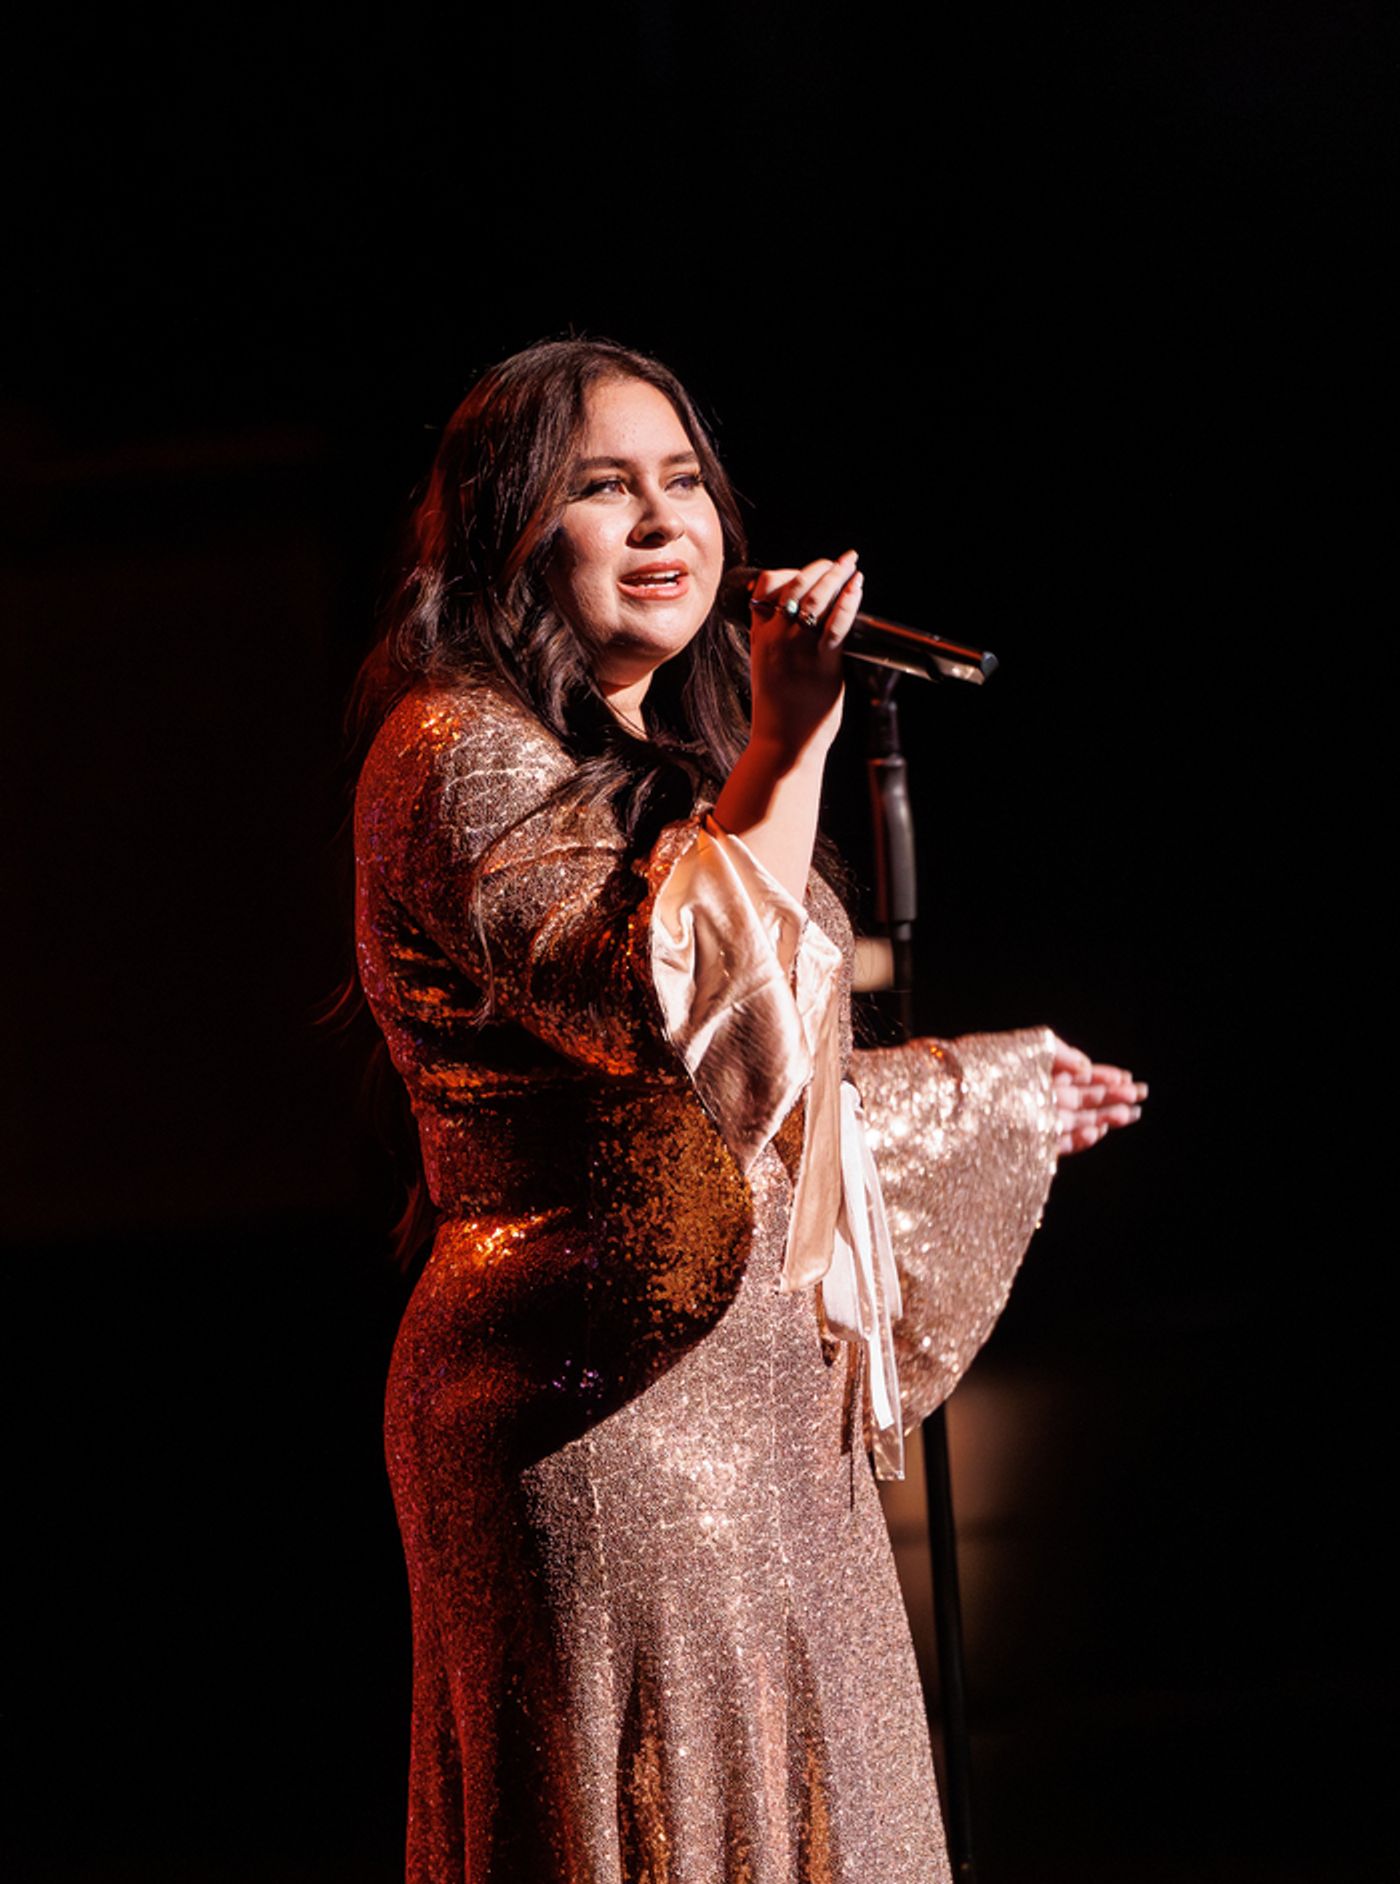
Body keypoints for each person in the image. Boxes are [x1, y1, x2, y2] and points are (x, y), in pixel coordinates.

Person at [351, 337, 1145, 1882]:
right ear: (509, 531)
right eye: (603, 488)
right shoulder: (451, 754)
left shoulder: (667, 765)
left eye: (685, 483)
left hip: (772, 1426)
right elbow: (667, 1018)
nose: (665, 521)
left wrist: (961, 1105)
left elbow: (754, 1090)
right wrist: (790, 744)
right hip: (598, 1422)